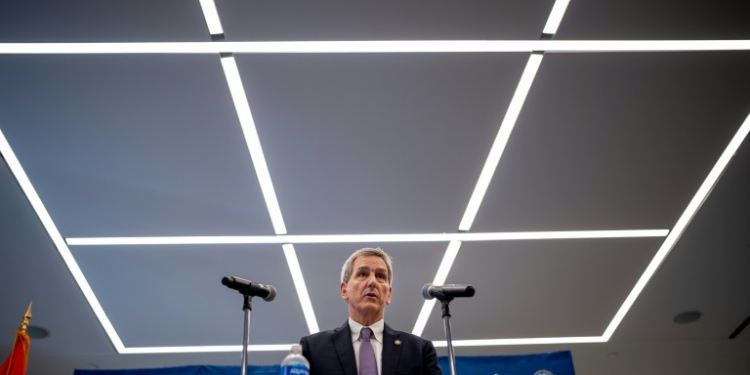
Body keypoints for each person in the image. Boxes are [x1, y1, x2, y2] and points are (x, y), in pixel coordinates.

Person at [300, 247, 442, 375]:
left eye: (380, 276)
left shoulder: (419, 350)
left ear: (389, 294)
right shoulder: (313, 348)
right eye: (362, 274)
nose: (372, 282)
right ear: (344, 290)